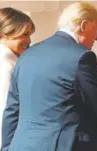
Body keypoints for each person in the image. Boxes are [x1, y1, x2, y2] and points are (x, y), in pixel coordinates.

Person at [1, 2, 97, 151]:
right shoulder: (82, 56)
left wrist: (6, 148)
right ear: (83, 25)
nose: (96, 37)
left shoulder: (26, 56)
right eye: (96, 29)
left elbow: (12, 109)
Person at [0, 7, 35, 147]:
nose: (29, 40)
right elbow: (5, 109)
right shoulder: (5, 65)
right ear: (4, 34)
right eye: (24, 34)